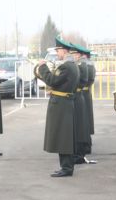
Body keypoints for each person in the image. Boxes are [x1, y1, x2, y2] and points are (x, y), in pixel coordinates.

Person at [34, 36, 79, 177]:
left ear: (64, 51)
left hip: (61, 105)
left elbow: (52, 80)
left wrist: (42, 67)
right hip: (63, 102)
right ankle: (66, 166)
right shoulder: (71, 65)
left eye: (58, 50)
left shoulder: (66, 66)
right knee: (64, 136)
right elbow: (56, 82)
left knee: (63, 137)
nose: (57, 53)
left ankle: (66, 168)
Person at [69, 43, 92, 165]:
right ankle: (79, 152)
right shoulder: (81, 64)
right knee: (80, 126)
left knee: (79, 126)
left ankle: (79, 154)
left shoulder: (80, 65)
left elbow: (81, 81)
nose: (71, 56)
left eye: (73, 54)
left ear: (78, 54)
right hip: (79, 95)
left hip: (78, 95)